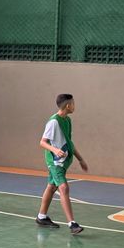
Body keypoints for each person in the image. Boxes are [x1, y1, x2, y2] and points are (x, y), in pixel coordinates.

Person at [37, 93, 88, 234]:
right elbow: (42, 142)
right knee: (64, 188)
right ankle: (72, 224)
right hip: (54, 162)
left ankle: (41, 216)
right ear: (68, 105)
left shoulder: (67, 120)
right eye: (73, 103)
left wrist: (80, 159)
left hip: (62, 162)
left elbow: (69, 142)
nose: (75, 106)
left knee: (52, 186)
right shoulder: (54, 122)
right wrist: (55, 150)